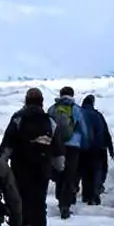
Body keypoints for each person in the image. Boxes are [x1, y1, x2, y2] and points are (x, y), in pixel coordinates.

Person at [0, 87, 65, 226]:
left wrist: (1, 166)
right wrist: (59, 167)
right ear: (42, 102)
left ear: (26, 100)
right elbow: (58, 151)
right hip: (42, 171)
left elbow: (8, 145)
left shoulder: (18, 118)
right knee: (39, 206)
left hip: (20, 169)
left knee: (20, 203)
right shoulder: (49, 121)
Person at [46, 86, 89, 218]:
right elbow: (83, 129)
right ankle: (66, 205)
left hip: (57, 146)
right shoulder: (76, 109)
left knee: (60, 174)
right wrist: (85, 146)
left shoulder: (53, 109)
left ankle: (60, 201)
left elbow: (48, 127)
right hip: (73, 146)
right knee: (70, 175)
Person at [78, 94, 114, 205]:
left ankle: (86, 196)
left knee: (85, 173)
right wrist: (111, 149)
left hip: (83, 149)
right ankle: (95, 195)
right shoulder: (98, 115)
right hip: (98, 148)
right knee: (97, 171)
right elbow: (105, 132)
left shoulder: (79, 114)